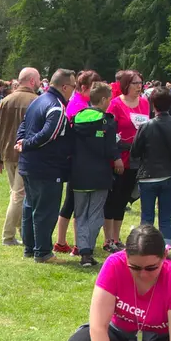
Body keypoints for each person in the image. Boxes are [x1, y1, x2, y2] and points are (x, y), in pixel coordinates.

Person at [17, 69, 77, 262]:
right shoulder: (57, 107)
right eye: (73, 87)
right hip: (46, 166)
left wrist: (21, 142)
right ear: (65, 86)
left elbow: (23, 125)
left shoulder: (37, 100)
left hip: (29, 164)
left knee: (30, 206)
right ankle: (42, 252)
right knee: (46, 210)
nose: (73, 91)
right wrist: (25, 143)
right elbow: (48, 134)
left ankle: (30, 248)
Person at [58, 82, 119, 264]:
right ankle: (87, 250)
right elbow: (110, 148)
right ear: (102, 100)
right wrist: (117, 158)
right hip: (100, 175)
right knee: (95, 214)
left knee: (80, 214)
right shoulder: (107, 120)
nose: (110, 102)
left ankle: (84, 250)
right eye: (109, 99)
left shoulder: (76, 118)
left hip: (78, 174)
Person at [130, 86, 171, 252]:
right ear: (170, 104)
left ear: (152, 104)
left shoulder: (145, 126)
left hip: (148, 175)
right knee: (166, 218)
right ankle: (165, 249)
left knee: (147, 216)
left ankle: (144, 248)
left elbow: (135, 151)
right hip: (170, 175)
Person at [0, 69, 38, 248]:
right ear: (32, 81)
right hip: (26, 154)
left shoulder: (5, 101)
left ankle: (21, 232)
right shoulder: (36, 101)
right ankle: (8, 235)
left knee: (16, 194)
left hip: (7, 154)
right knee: (18, 196)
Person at [102, 70, 149, 250]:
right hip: (119, 158)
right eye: (135, 83)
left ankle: (116, 237)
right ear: (126, 84)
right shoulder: (115, 105)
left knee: (123, 200)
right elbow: (109, 133)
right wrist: (116, 158)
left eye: (140, 83)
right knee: (112, 199)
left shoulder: (144, 103)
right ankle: (108, 239)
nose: (139, 86)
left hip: (136, 160)